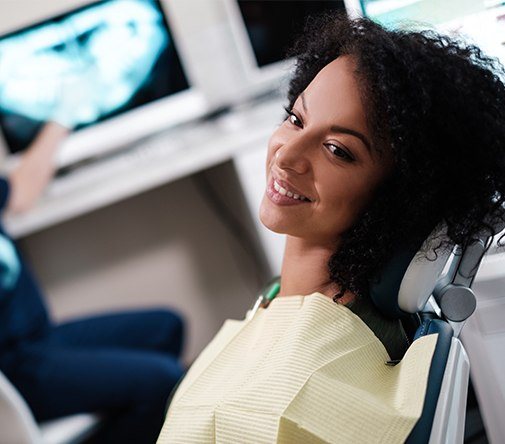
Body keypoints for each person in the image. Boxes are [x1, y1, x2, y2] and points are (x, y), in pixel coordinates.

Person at [157, 12, 505, 444]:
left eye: (338, 150)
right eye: (296, 119)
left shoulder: (285, 404)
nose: (286, 156)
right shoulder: (291, 302)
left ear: (400, 195)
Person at [0, 120, 186, 443]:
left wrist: (61, 119)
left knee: (167, 328)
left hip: (39, 337)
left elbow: (20, 192)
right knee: (164, 380)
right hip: (14, 365)